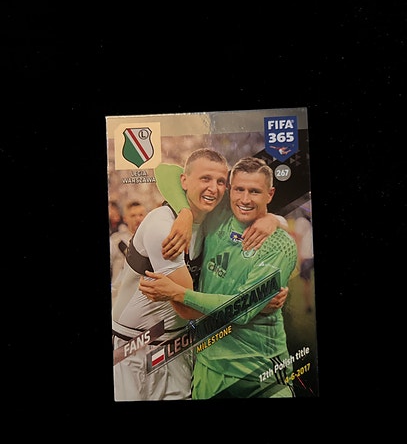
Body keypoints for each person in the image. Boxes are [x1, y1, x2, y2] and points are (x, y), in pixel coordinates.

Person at [112, 149, 288, 401]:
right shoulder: (163, 227)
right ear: (184, 181)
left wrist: (274, 219)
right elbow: (186, 306)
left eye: (221, 182)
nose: (213, 188)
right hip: (134, 346)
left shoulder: (212, 219)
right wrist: (253, 304)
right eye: (205, 179)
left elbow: (257, 210)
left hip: (177, 345)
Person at [109, 199, 146, 301]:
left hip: (143, 298)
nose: (138, 219)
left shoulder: (150, 241)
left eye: (141, 215)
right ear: (125, 218)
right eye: (133, 216)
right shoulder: (116, 240)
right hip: (119, 297)